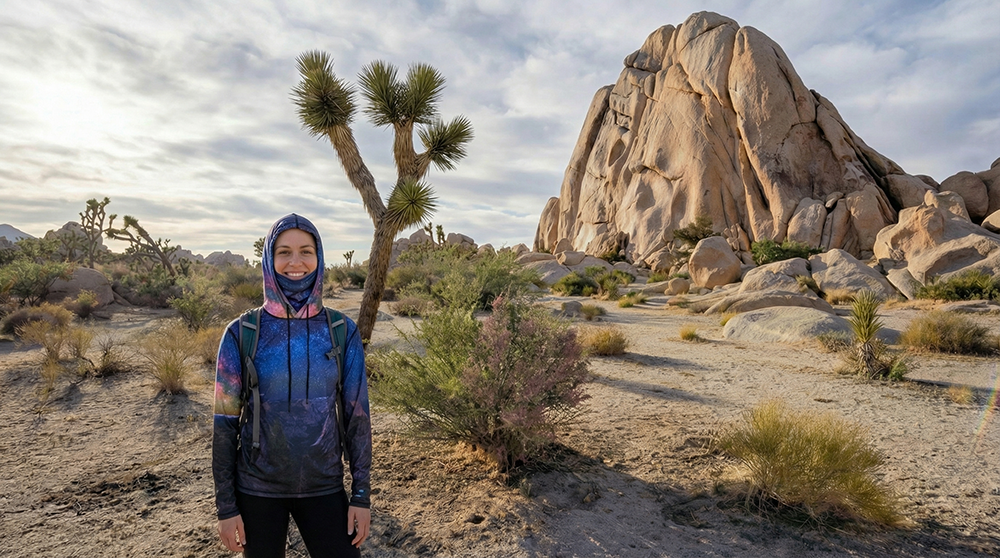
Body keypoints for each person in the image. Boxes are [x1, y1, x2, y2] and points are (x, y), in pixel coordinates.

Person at [212, 214, 372, 557]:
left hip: (324, 484)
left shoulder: (341, 331)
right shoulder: (241, 334)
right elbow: (224, 426)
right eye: (283, 252)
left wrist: (361, 496)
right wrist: (226, 507)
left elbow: (358, 417)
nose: (295, 262)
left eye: (305, 251)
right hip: (256, 488)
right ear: (269, 259)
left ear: (319, 257)